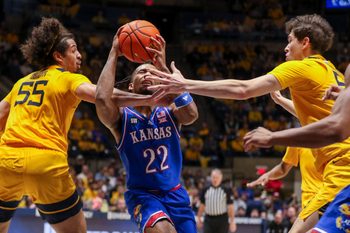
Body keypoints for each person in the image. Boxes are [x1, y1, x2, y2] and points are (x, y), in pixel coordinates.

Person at [145, 14, 349, 232]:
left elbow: (243, 89)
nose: (286, 48)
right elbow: (324, 118)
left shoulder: (302, 67)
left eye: (290, 40)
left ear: (305, 42)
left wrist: (184, 84)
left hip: (341, 168)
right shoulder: (332, 72)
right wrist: (284, 103)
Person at [0, 17, 160, 233]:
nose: (79, 55)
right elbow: (104, 96)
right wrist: (148, 99)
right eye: (74, 50)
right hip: (46, 163)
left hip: (6, 162)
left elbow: (1, 113)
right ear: (58, 56)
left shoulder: (21, 82)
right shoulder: (67, 78)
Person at [95, 31, 199, 233]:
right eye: (142, 72)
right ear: (131, 86)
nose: (148, 75)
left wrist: (163, 68)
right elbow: (101, 98)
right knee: (163, 230)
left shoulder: (169, 110)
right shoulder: (122, 118)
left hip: (176, 193)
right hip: (143, 195)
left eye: (152, 73)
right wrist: (114, 52)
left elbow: (191, 115)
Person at [244, 64, 350, 232]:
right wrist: (267, 176)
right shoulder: (302, 139)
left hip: (327, 196)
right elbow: (284, 167)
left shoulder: (330, 132)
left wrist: (272, 137)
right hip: (312, 202)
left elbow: (332, 126)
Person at [197, 169, 236, 233]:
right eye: (213, 177)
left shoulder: (226, 190)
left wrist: (232, 222)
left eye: (217, 177)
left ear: (221, 178)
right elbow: (202, 205)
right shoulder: (205, 189)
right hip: (208, 219)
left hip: (222, 219)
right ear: (210, 178)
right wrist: (199, 218)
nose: (215, 179)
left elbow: (231, 207)